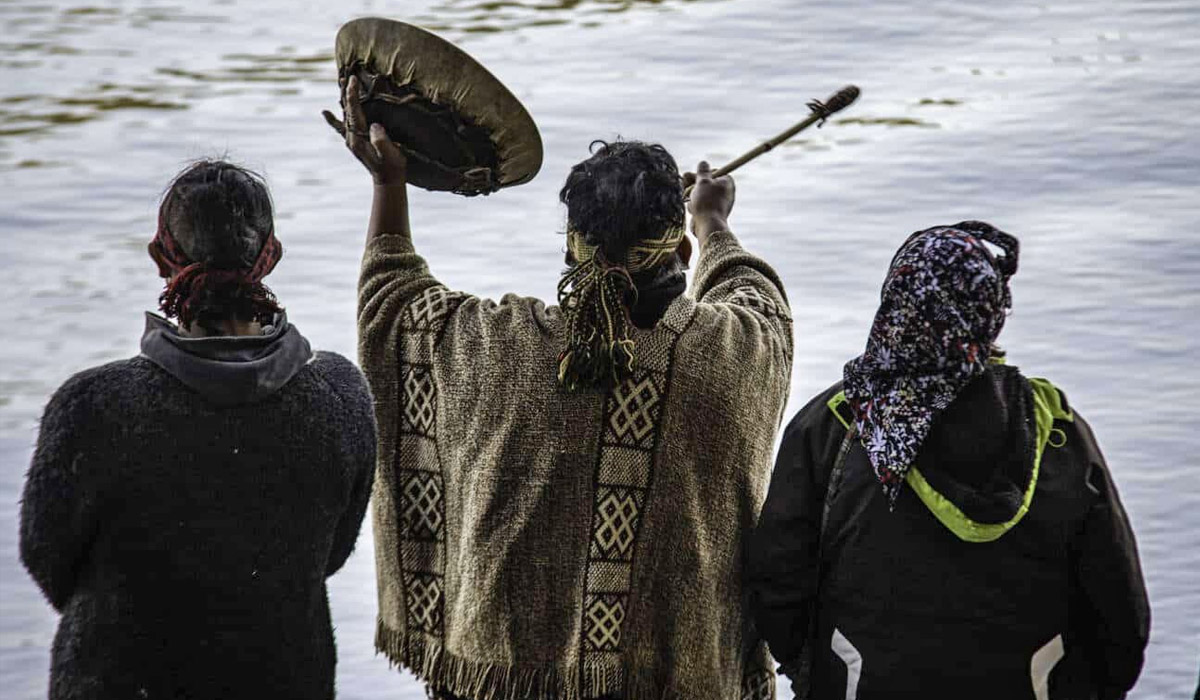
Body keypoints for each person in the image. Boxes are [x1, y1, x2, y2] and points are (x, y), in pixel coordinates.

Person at [326, 77, 792, 700]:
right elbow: (753, 294)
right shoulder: (734, 353)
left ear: (574, 250)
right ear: (676, 247)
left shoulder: (495, 347)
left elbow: (394, 300)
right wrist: (712, 222)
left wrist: (387, 184)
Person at [19, 160, 377, 700]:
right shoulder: (341, 396)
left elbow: (46, 558)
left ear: (161, 258)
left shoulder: (93, 407)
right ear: (269, 257)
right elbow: (332, 553)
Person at [748, 222, 1151, 700]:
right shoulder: (1058, 433)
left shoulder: (836, 426)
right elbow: (1121, 622)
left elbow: (777, 586)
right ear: (991, 314)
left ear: (895, 303)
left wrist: (828, 675)